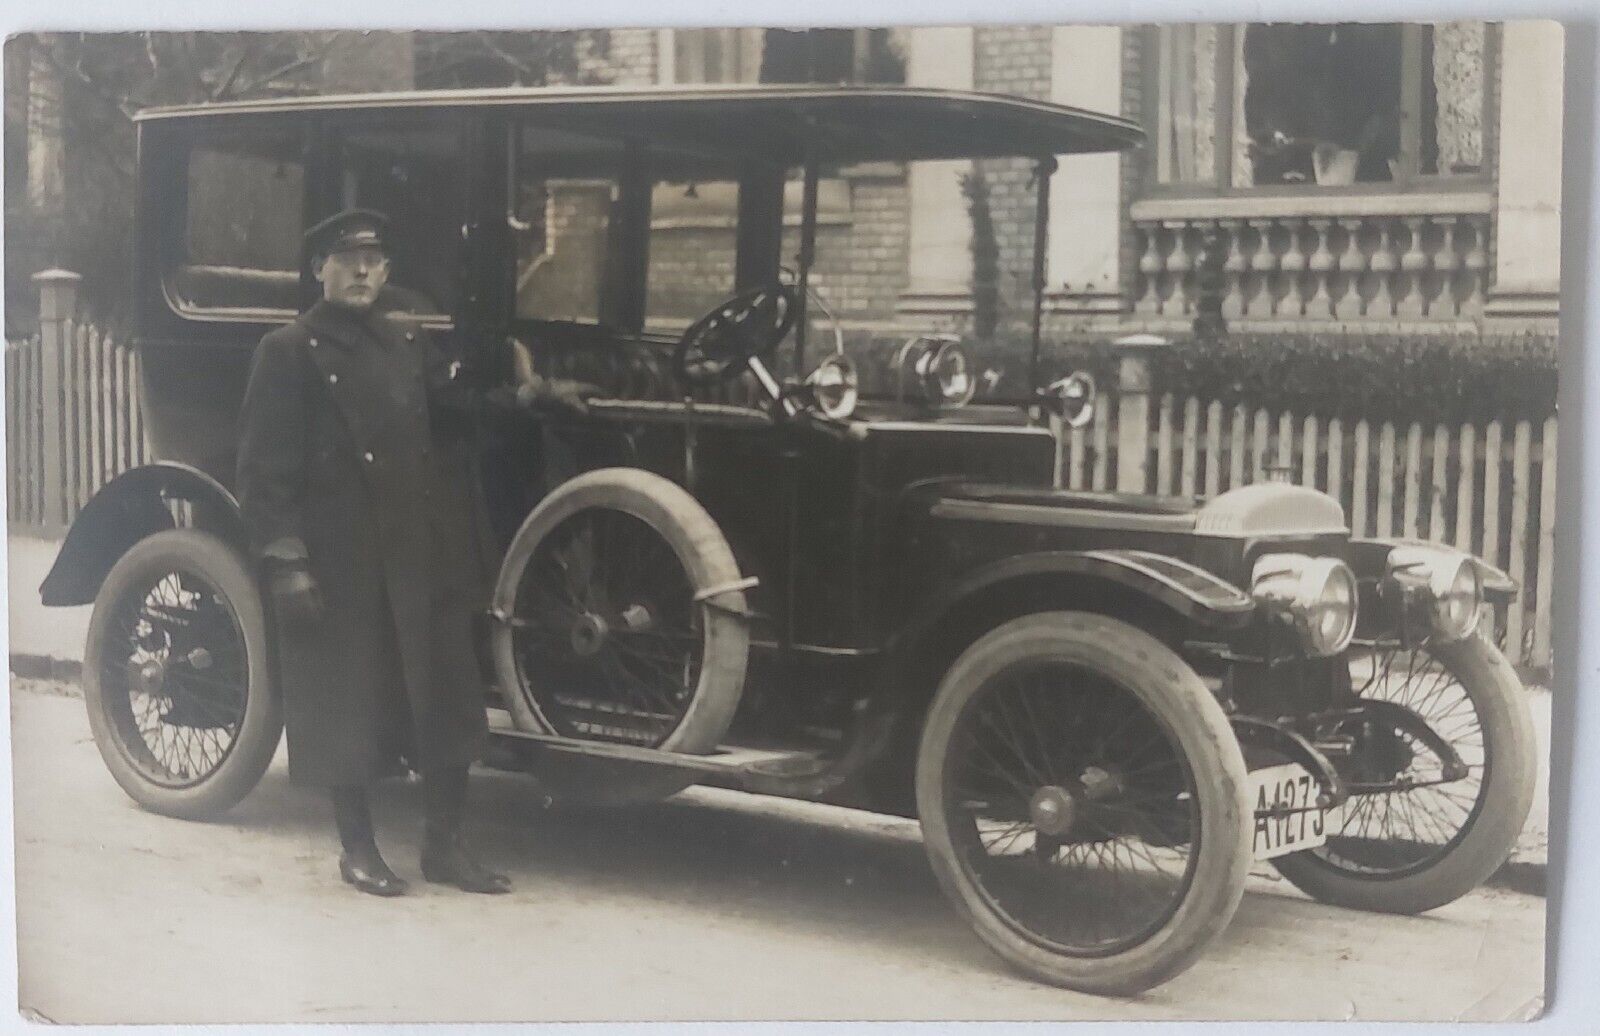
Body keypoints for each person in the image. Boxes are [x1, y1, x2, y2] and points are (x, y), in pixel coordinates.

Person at [236, 208, 590, 897]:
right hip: (343, 558)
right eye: (348, 258)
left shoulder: (403, 340)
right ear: (319, 270)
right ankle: (358, 849)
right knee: (348, 704)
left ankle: (444, 849)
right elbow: (262, 475)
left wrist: (529, 395)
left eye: (376, 260)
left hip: (420, 552)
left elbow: (456, 409)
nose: (364, 270)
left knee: (448, 702)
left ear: (389, 271)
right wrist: (287, 562)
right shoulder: (288, 350)